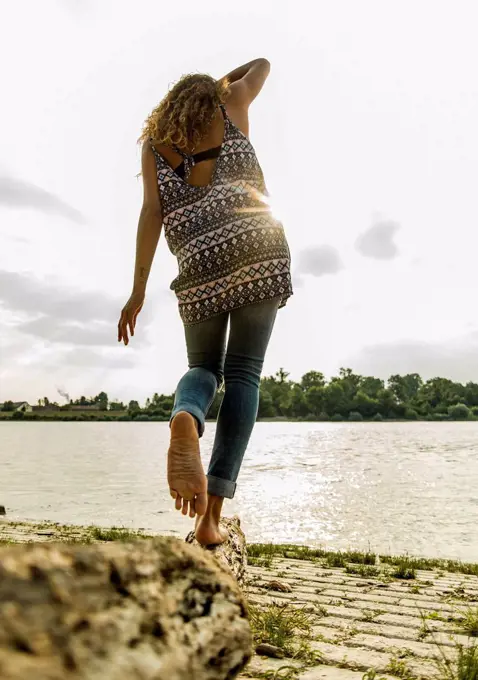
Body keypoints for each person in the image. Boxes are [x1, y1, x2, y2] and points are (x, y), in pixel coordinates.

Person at [118, 58, 293, 546]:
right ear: (210, 94)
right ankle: (210, 516)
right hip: (259, 248)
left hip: (199, 263)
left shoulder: (155, 146)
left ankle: (185, 417)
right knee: (244, 375)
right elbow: (261, 64)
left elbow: (151, 213)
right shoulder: (232, 105)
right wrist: (219, 84)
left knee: (204, 368)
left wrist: (137, 291)